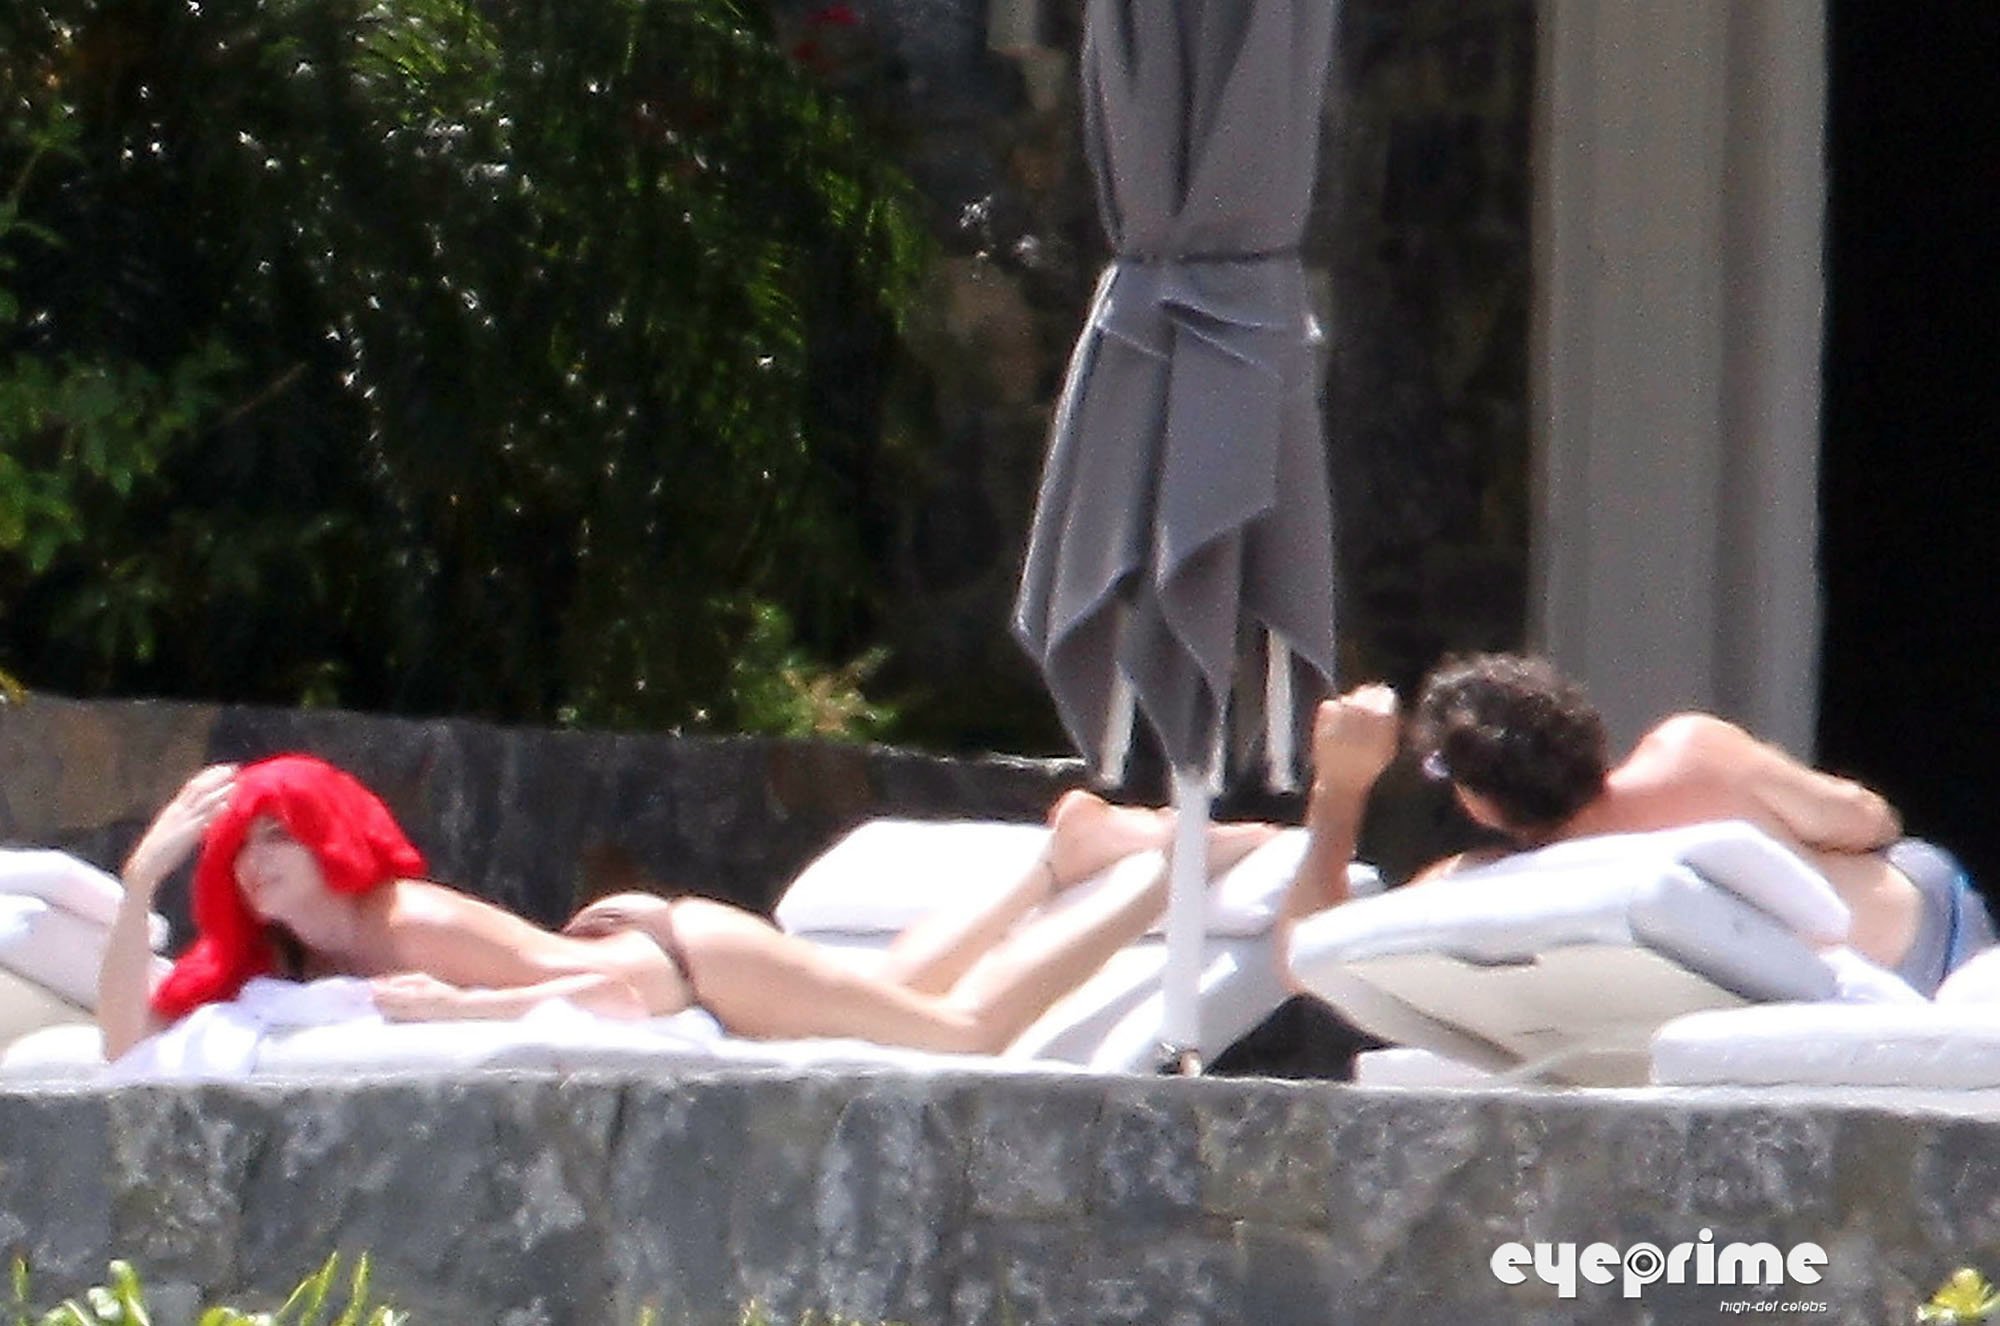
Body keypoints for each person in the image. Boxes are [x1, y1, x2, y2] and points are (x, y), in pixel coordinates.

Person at [98, 753, 1277, 1061]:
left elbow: (606, 997)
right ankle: (1056, 858)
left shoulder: (408, 924)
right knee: (892, 989)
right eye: (239, 848)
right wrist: (143, 880)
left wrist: (455, 1012)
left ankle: (1154, 879)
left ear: (334, 838)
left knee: (961, 1032)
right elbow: (122, 1045)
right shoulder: (288, 962)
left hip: (679, 958)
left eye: (280, 837)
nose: (255, 863)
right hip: (662, 946)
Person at [1284, 652, 1995, 996]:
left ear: (1480, 803)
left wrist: (1339, 788)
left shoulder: (1490, 889)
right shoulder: (1694, 754)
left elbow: (1309, 957)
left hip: (1844, 1000)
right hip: (1933, 924)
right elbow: (1870, 821)